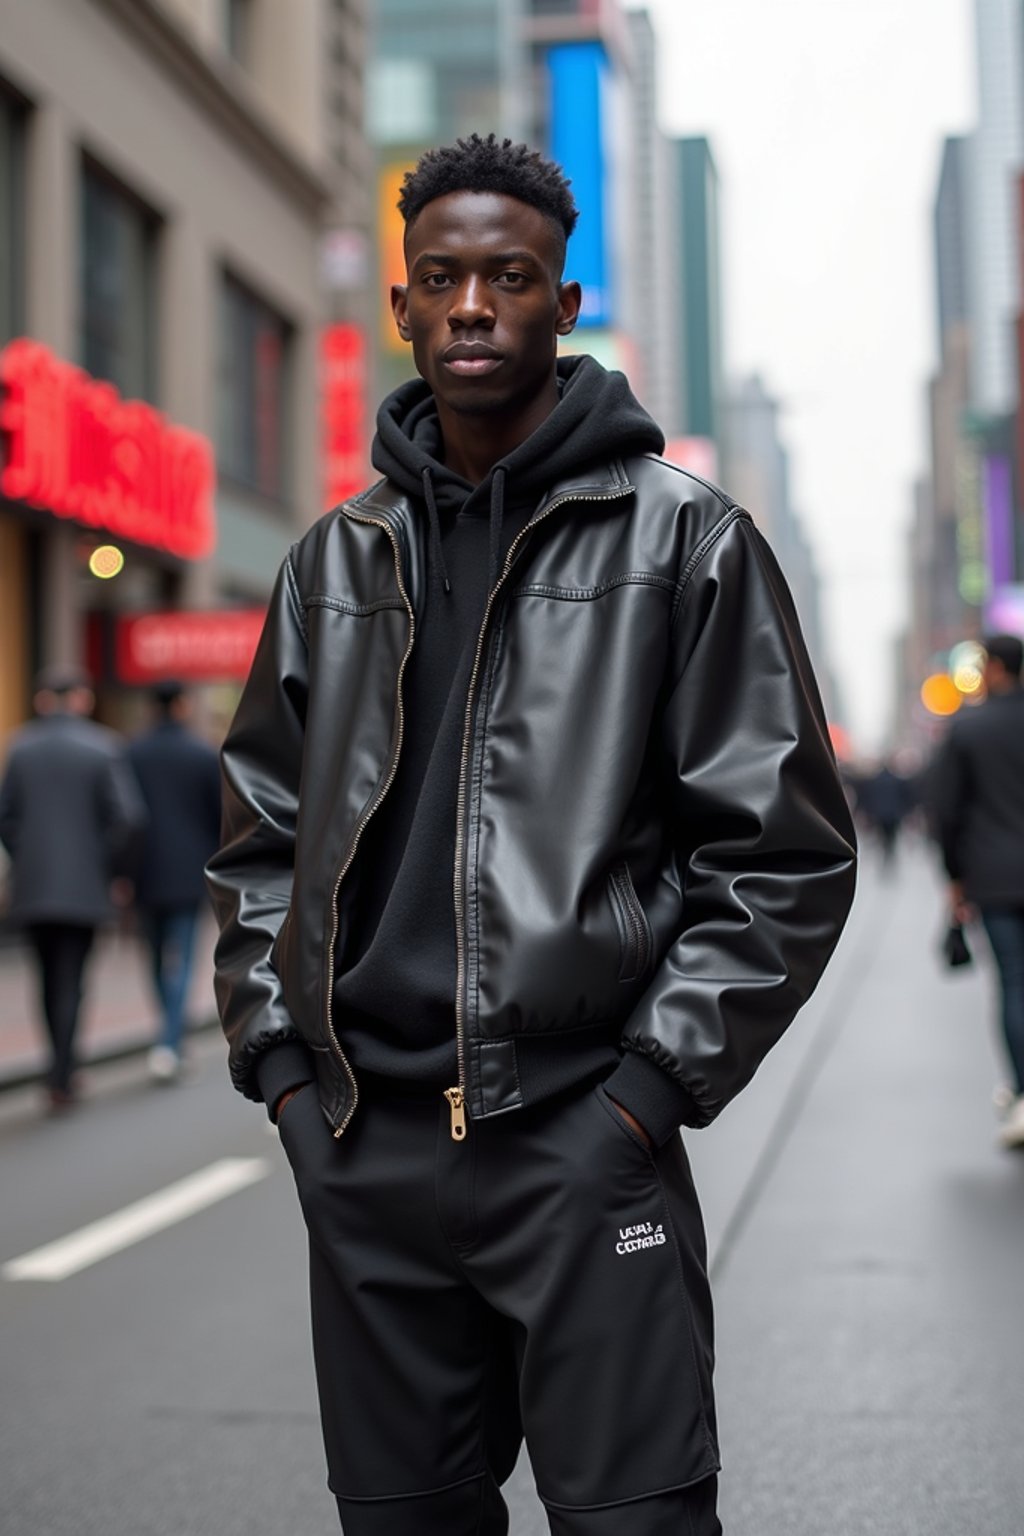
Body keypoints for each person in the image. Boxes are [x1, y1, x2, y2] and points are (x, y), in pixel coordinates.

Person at [207, 135, 857, 1535]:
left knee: (637, 1520)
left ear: (565, 307)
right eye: (439, 279)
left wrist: (645, 1095)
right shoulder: (332, 563)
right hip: (365, 1148)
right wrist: (277, 1070)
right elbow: (260, 835)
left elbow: (783, 851)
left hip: (580, 1135)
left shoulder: (686, 539)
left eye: (509, 278)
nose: (472, 308)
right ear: (402, 308)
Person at [0, 667, 145, 1110]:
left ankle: (56, 1069)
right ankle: (65, 1069)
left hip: (35, 885)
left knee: (45, 978)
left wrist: (25, 856)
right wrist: (110, 868)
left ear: (44, 700)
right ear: (81, 699)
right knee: (74, 978)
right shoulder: (103, 747)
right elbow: (130, 819)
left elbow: (6, 817)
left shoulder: (21, 748)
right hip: (85, 886)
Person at [929, 634, 1024, 1149]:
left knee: (1014, 982)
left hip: (994, 874)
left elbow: (947, 812)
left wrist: (954, 878)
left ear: (993, 669)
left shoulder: (968, 728)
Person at [128, 680, 222, 1082]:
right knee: (182, 959)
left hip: (143, 871)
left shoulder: (131, 753)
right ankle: (170, 1042)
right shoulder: (202, 753)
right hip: (188, 871)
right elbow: (221, 817)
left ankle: (167, 1036)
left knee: (152, 958)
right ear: (182, 705)